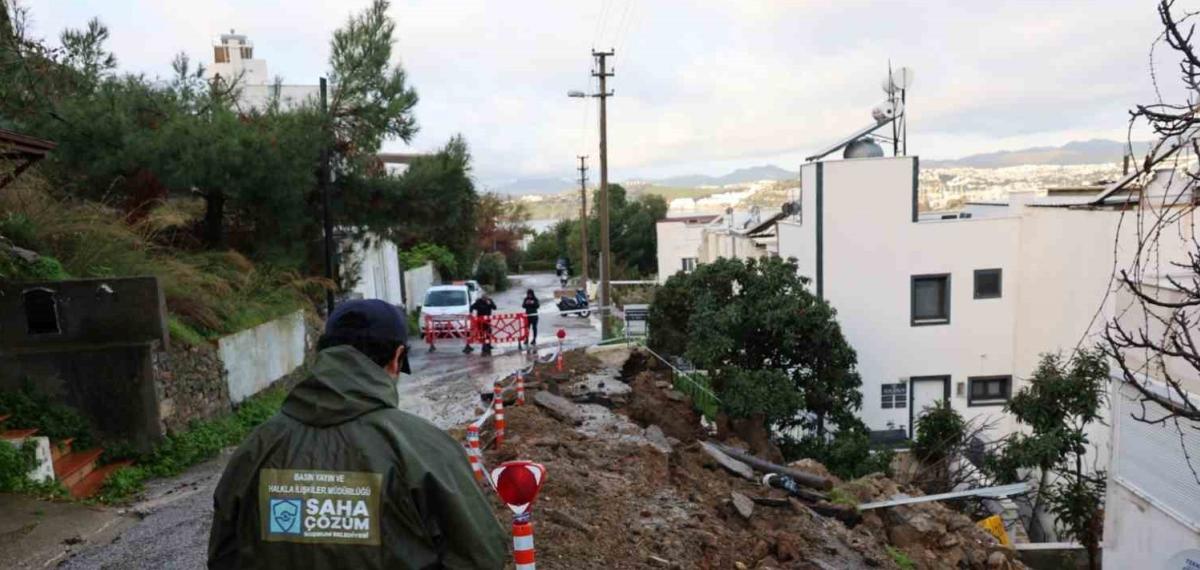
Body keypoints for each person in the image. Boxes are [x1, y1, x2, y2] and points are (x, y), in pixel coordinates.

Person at [208, 299, 507, 569]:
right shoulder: (426, 448)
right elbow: (481, 556)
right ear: (397, 357)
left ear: (322, 354)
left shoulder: (256, 447)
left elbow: (222, 554)